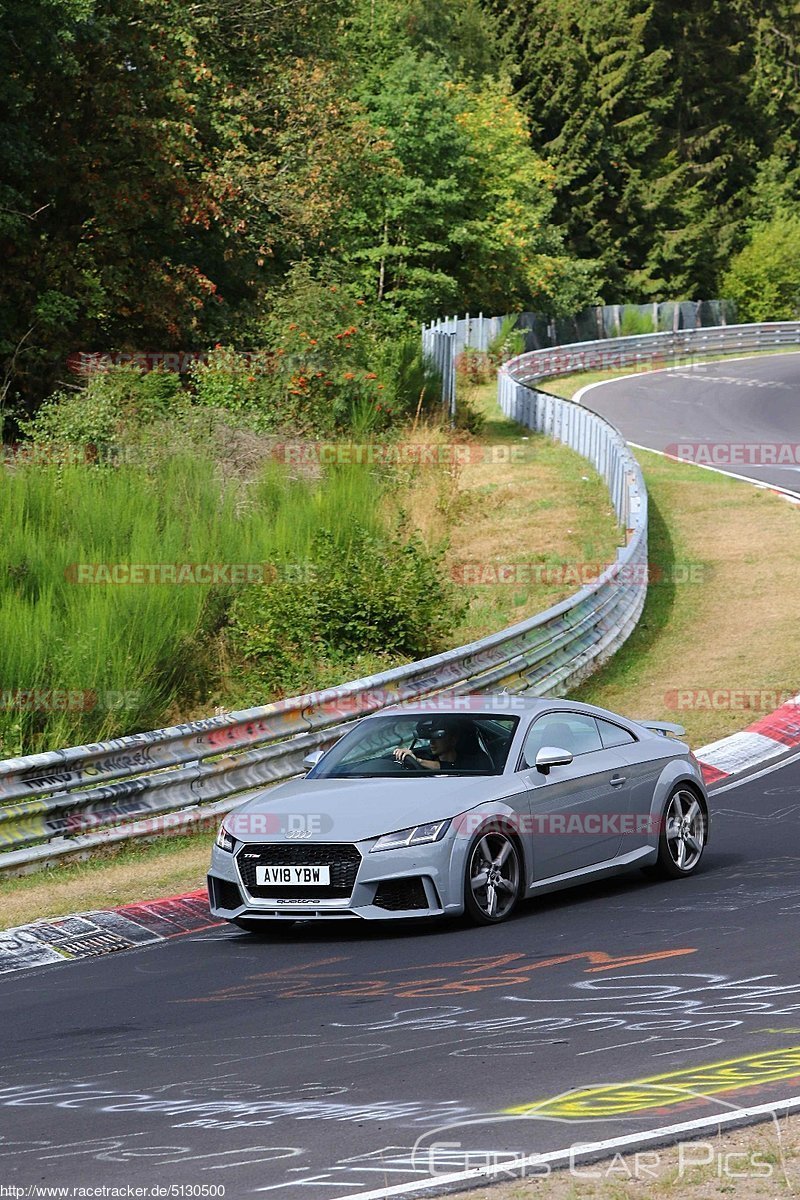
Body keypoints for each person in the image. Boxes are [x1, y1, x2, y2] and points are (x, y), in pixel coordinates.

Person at [392, 717, 493, 773]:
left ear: (453, 739)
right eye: (430, 737)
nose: (432, 742)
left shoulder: (475, 762)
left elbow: (452, 767)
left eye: (438, 737)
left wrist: (418, 761)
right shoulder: (426, 755)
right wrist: (402, 754)